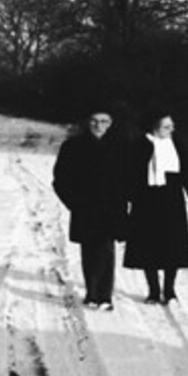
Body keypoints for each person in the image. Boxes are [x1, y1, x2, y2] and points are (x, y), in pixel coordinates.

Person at [123, 109, 188, 304]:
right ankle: (153, 291)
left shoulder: (176, 144)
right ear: (154, 127)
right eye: (166, 127)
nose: (172, 129)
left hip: (172, 200)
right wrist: (127, 200)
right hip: (145, 201)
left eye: (172, 126)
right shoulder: (139, 145)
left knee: (173, 245)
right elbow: (128, 175)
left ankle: (169, 290)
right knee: (148, 245)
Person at [53, 110, 128, 311]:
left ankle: (105, 296)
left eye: (103, 121)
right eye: (94, 121)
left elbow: (130, 177)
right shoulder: (72, 146)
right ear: (88, 122)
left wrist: (125, 198)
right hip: (85, 207)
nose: (98, 125)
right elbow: (60, 179)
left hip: (112, 207)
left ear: (110, 123)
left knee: (107, 250)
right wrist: (74, 203)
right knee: (89, 250)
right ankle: (92, 293)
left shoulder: (121, 146)